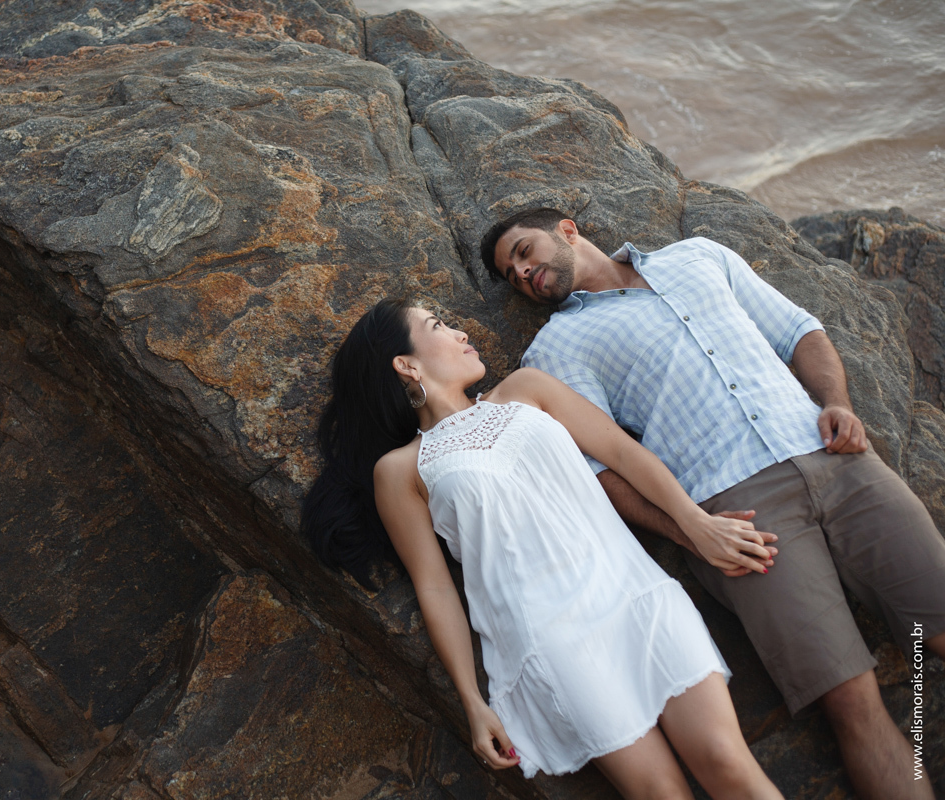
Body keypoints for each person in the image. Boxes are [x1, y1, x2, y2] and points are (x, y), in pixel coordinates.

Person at [481, 208, 945, 800]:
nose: (522, 272)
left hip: (838, 460)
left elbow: (798, 329)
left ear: (566, 230)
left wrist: (838, 402)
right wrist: (690, 532)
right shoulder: (556, 350)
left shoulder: (699, 255)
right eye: (510, 273)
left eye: (523, 251)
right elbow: (603, 470)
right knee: (851, 699)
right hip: (742, 517)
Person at [302, 298, 783, 799]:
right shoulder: (401, 470)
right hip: (553, 645)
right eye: (437, 325)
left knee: (727, 761)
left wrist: (695, 522)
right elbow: (435, 587)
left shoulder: (527, 389)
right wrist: (472, 700)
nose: (460, 332)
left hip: (637, 596)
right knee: (661, 794)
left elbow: (620, 451)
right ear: (406, 364)